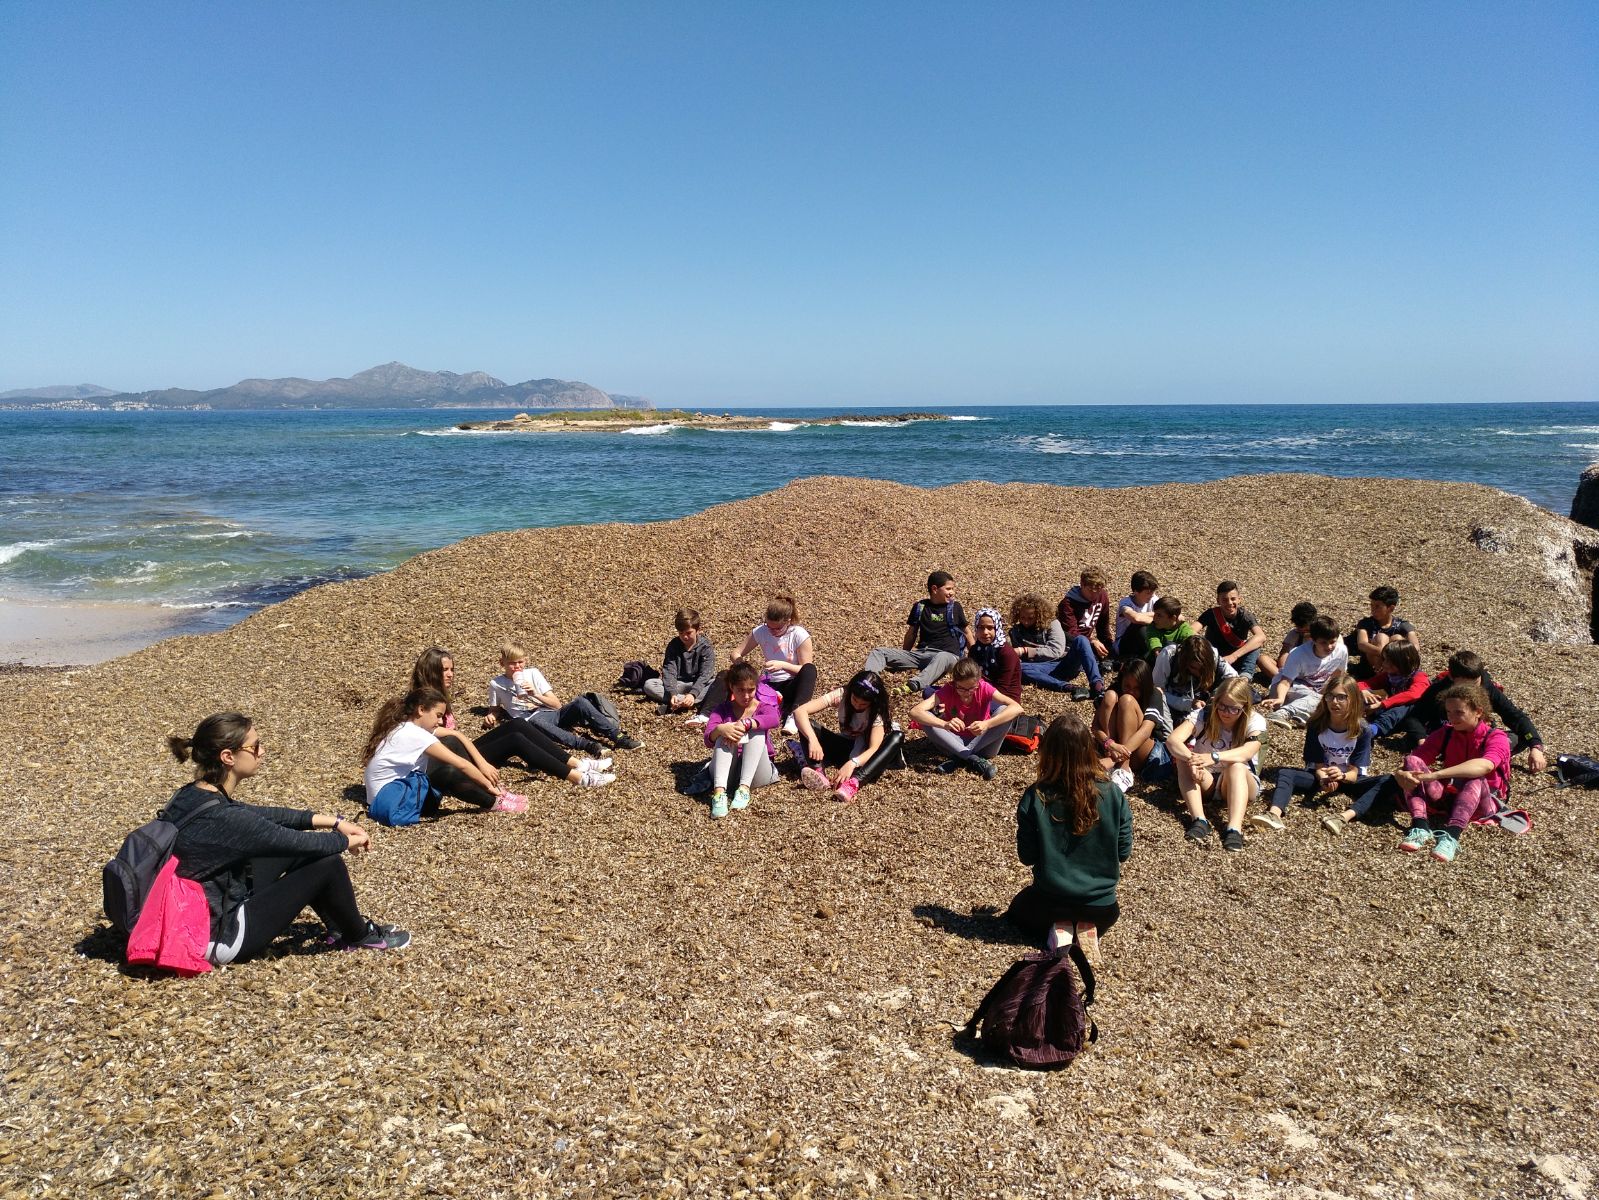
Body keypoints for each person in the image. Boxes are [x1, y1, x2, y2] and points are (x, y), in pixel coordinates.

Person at [165, 712, 410, 962]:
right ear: (228, 757)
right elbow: (297, 842)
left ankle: (340, 925)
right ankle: (360, 936)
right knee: (328, 863)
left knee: (299, 853)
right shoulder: (225, 818)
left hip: (197, 912)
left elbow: (266, 816)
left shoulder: (191, 794)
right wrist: (347, 841)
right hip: (220, 934)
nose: (262, 752)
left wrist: (335, 822)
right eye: (255, 747)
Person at [1003, 713, 1133, 966]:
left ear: (1047, 751)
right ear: (1089, 750)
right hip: (1103, 908)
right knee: (1090, 914)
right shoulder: (1113, 794)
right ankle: (1084, 929)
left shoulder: (1036, 795)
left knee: (1016, 912)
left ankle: (1060, 932)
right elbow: (1123, 852)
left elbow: (1027, 856)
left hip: (1049, 903)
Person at [419, 647, 615, 788]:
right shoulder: (423, 700)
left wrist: (492, 716)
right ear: (430, 671)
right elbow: (426, 736)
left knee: (518, 724)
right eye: (444, 670)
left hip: (458, 750)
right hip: (446, 762)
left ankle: (578, 764)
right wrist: (478, 759)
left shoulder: (438, 695)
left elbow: (556, 704)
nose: (450, 674)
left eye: (452, 669)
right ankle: (578, 777)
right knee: (515, 740)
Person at [364, 687, 529, 824]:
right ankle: (495, 801)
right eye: (438, 715)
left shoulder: (404, 726)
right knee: (448, 772)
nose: (441, 721)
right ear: (421, 710)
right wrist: (488, 786)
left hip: (391, 796)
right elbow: (461, 764)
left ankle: (496, 792)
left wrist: (482, 769)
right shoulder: (417, 735)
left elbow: (453, 736)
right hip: (395, 805)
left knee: (450, 742)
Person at [1394, 683, 1511, 863]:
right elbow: (1416, 759)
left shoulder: (1496, 737)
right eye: (1449, 712)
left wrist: (1435, 775)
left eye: (1459, 712)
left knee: (1475, 778)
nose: (1452, 718)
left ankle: (1451, 836)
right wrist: (1400, 774)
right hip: (1449, 795)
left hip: (1482, 802)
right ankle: (1420, 826)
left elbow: (1484, 766)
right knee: (1411, 761)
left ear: (1478, 712)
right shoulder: (1447, 733)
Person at [1252, 671, 1374, 832]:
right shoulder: (1316, 725)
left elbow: (1354, 773)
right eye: (1330, 696)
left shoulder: (1362, 730)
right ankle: (1274, 814)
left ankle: (1344, 817)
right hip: (1322, 777)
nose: (1334, 702)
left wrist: (1341, 776)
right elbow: (1318, 765)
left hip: (1350, 780)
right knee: (1286, 774)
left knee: (1386, 782)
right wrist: (1324, 779)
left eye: (1341, 697)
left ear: (1353, 700)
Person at [1395, 650, 1548, 772]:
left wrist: (1535, 746)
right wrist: (1422, 740)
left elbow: (1514, 716)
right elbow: (1413, 718)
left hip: (1478, 739)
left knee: (1519, 737)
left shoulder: (1486, 687)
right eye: (1466, 686)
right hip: (1449, 739)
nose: (1473, 690)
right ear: (1452, 678)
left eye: (1475, 683)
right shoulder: (1438, 690)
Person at [1168, 676, 1267, 851]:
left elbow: (1247, 752)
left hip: (1241, 781)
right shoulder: (1204, 715)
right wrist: (1192, 759)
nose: (1226, 712)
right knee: (1183, 759)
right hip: (1207, 778)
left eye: (1234, 709)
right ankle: (1199, 820)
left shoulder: (1254, 720)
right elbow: (1173, 740)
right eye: (1222, 706)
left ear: (1244, 707)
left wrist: (1214, 757)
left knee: (1236, 765)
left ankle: (1234, 829)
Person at [487, 642, 643, 752]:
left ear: (525, 661)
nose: (517, 667)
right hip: (531, 722)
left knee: (581, 702)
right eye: (512, 663)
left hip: (552, 714)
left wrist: (535, 694)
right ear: (502, 663)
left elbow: (556, 705)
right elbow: (494, 709)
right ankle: (586, 745)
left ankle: (618, 736)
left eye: (520, 662)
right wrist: (491, 716)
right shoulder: (496, 684)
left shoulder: (533, 673)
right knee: (534, 721)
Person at [793, 669, 904, 803]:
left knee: (897, 736)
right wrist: (813, 740)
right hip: (846, 747)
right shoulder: (842, 695)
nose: (857, 705)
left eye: (863, 704)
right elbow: (800, 711)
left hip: (867, 761)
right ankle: (818, 772)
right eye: (855, 700)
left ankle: (854, 782)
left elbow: (874, 749)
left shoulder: (877, 712)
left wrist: (852, 764)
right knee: (807, 725)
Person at [909, 658, 1023, 780]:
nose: (967, 693)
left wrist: (987, 724)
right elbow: (914, 712)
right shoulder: (948, 689)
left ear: (978, 682)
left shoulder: (984, 688)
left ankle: (960, 757)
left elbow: (1017, 708)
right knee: (926, 719)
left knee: (1004, 711)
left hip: (983, 743)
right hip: (952, 742)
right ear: (954, 683)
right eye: (961, 688)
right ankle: (973, 759)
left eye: (972, 688)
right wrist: (944, 724)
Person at [865, 572, 967, 696]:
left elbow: (967, 632)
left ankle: (914, 684)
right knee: (878, 652)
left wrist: (975, 661)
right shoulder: (920, 607)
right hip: (922, 654)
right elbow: (911, 634)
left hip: (949, 657)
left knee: (942, 657)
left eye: (952, 589)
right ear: (934, 589)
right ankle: (869, 682)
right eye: (948, 589)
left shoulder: (955, 607)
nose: (952, 592)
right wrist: (904, 655)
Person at [702, 660, 782, 819]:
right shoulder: (722, 709)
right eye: (740, 690)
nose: (746, 696)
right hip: (728, 771)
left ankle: (744, 789)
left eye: (751, 690)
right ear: (731, 687)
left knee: (756, 729)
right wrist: (720, 729)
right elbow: (708, 739)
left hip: (756, 772)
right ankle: (719, 794)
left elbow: (774, 719)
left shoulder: (763, 707)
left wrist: (748, 723)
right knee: (723, 732)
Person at [1091, 658, 1170, 790]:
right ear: (1121, 681)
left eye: (1137, 688)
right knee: (1110, 696)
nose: (1131, 691)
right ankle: (1112, 759)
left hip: (1145, 751)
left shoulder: (1154, 694)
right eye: (1127, 686)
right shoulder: (1115, 689)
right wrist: (1109, 744)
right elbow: (1095, 726)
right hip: (1114, 747)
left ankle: (1123, 768)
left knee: (1127, 700)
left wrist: (1114, 759)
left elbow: (1146, 731)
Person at [736, 594, 818, 720]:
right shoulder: (761, 631)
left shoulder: (799, 635)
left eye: (777, 628)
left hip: (791, 684)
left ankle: (795, 714)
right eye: (769, 626)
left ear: (788, 621)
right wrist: (742, 666)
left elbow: (806, 669)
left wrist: (783, 666)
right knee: (729, 676)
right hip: (770, 684)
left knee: (811, 670)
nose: (772, 631)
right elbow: (736, 653)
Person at [1259, 616, 1349, 727]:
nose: (1329, 647)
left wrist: (1327, 693)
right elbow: (1285, 682)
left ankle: (1304, 715)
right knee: (1323, 700)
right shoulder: (1299, 654)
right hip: (1287, 688)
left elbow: (1337, 675)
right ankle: (1283, 713)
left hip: (1314, 691)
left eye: (1332, 642)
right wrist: (1280, 698)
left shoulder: (1341, 651)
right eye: (1323, 643)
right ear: (1313, 640)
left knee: (1335, 701)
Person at [642, 608, 718, 716]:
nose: (685, 637)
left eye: (689, 633)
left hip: (698, 684)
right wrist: (672, 693)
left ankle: (679, 703)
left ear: (698, 630)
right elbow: (669, 671)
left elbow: (705, 674)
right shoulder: (674, 645)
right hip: (679, 683)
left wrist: (693, 694)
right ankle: (685, 702)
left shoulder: (705, 647)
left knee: (717, 684)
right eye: (681, 633)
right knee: (649, 685)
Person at [1053, 568, 1113, 698]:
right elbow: (1071, 633)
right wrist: (1092, 640)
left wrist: (1109, 647)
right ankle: (1097, 686)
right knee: (1082, 642)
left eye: (1098, 590)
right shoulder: (1067, 604)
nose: (1094, 594)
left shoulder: (1102, 596)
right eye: (1090, 590)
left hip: (1088, 642)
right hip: (1070, 647)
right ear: (1082, 585)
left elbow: (1103, 625)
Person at [1151, 634, 1236, 726]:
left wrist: (1217, 696)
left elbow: (1235, 679)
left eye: (1203, 668)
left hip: (1202, 704)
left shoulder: (1214, 656)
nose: (1199, 672)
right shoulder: (1168, 656)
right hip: (1171, 704)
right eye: (1194, 668)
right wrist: (1189, 704)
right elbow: (1157, 692)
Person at [1356, 641, 1429, 737]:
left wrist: (1382, 704)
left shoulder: (1419, 677)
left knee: (1405, 706)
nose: (1384, 664)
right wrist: (1364, 691)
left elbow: (1414, 694)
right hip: (1389, 712)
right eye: (1384, 659)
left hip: (1411, 716)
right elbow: (1364, 683)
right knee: (1366, 694)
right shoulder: (1391, 676)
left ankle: (1373, 730)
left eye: (1388, 661)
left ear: (1403, 661)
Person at [1349, 586, 1421, 680]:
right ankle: (1381, 677)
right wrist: (1386, 654)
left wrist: (1394, 655)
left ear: (1390, 608)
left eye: (1377, 606)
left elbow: (1415, 646)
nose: (1373, 609)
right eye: (1371, 605)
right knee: (1381, 638)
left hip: (1395, 668)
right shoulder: (1366, 623)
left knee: (1397, 639)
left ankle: (1393, 677)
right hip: (1370, 670)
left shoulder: (1402, 625)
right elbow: (1362, 644)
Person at [1198, 581, 1266, 679]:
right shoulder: (1211, 614)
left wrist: (1234, 656)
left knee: (1255, 644)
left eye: (1233, 599)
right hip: (1214, 659)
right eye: (1225, 600)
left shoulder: (1245, 616)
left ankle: (1245, 676)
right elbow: (1191, 630)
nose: (1230, 603)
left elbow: (1261, 636)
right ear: (1218, 601)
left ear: (1239, 599)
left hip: (1237, 658)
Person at [1117, 596, 1194, 666]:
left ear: (1173, 618)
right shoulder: (1153, 626)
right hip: (1154, 661)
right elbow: (1153, 638)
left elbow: (1191, 641)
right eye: (1155, 614)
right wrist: (1157, 649)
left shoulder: (1183, 628)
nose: (1154, 618)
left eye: (1159, 615)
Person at [967, 607, 1022, 700]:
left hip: (1005, 699)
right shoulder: (974, 650)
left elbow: (1003, 687)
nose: (985, 632)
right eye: (981, 627)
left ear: (997, 628)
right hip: (978, 693)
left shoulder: (1006, 653)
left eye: (990, 628)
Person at [1257, 601, 1317, 681]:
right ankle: (1286, 681)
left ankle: (1286, 682)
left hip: (1310, 669)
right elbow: (1284, 654)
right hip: (1291, 669)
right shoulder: (1295, 634)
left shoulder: (1319, 636)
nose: (1301, 631)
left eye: (1306, 629)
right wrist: (1285, 670)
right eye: (1298, 627)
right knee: (1262, 659)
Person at [1113, 571, 1160, 656]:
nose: (1152, 595)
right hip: (1124, 644)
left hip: (1144, 641)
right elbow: (1135, 618)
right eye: (1148, 593)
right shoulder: (1125, 603)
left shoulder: (1153, 599)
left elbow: (1172, 614)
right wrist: (1159, 618)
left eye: (1153, 592)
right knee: (1140, 626)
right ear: (1136, 592)